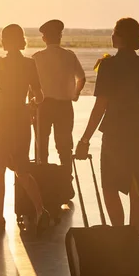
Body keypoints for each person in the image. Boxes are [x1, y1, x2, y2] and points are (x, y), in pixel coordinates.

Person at [75, 18, 139, 234]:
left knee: (110, 187)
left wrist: (85, 140)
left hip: (114, 131)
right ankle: (134, 240)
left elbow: (100, 106)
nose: (111, 36)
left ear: (120, 37)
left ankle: (119, 235)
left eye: (114, 32)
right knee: (136, 189)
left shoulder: (108, 66)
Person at [0, 24, 50, 231]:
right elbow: (39, 95)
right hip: (21, 117)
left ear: (5, 41)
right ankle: (41, 210)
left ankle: (0, 216)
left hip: (3, 115)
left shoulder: (0, 63)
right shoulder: (29, 64)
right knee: (22, 170)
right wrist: (31, 102)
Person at [32, 19, 86, 177]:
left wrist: (32, 103)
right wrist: (75, 94)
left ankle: (43, 179)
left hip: (44, 105)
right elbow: (81, 78)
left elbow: (32, 84)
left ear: (44, 38)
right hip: (64, 106)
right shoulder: (69, 56)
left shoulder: (37, 57)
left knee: (42, 144)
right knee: (64, 146)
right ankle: (66, 181)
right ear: (60, 36)